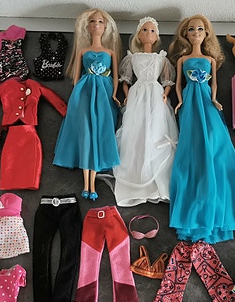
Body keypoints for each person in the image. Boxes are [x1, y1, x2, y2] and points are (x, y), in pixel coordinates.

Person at [167, 14, 235, 243]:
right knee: (191, 145)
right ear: (185, 34)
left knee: (217, 142)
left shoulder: (211, 59)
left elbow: (214, 83)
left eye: (200, 29)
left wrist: (214, 100)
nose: (196, 33)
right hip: (189, 100)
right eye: (191, 29)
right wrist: (180, 101)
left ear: (206, 34)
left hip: (206, 99)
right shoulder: (182, 59)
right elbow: (178, 84)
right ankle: (195, 205)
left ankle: (218, 206)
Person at [53, 8, 121, 200]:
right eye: (92, 21)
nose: (96, 25)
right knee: (85, 133)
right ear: (87, 27)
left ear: (106, 27)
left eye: (100, 22)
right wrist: (76, 95)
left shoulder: (110, 52)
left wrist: (114, 94)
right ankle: (87, 185)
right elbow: (76, 78)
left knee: (100, 132)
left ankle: (92, 183)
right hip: (85, 92)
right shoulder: (82, 51)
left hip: (104, 94)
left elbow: (115, 77)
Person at [112, 16, 178, 206]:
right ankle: (136, 179)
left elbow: (167, 81)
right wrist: (126, 95)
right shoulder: (132, 58)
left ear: (157, 37)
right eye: (145, 30)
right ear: (138, 35)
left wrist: (165, 94)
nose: (149, 33)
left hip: (156, 94)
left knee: (157, 129)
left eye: (152, 31)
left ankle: (158, 182)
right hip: (138, 93)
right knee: (135, 130)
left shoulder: (161, 58)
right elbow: (125, 80)